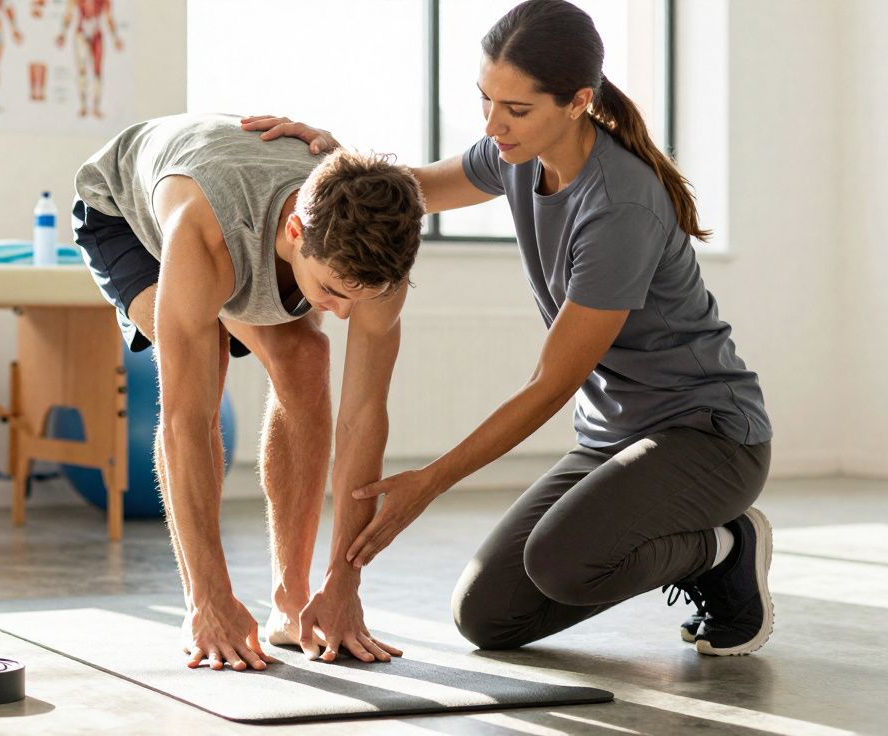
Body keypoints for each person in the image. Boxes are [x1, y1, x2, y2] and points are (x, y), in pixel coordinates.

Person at [243, 0, 774, 657]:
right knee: (487, 617)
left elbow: (552, 383)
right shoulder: (516, 155)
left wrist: (429, 481)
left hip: (706, 437)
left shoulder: (620, 207)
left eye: (516, 109)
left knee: (563, 562)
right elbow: (407, 192)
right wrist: (326, 166)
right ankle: (694, 543)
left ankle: (723, 551)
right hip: (613, 439)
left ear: (578, 102)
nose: (493, 125)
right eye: (486, 100)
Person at [73, 112, 425, 671]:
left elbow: (363, 418)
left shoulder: (382, 260)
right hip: (127, 212)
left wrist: (344, 584)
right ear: (296, 233)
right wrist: (210, 596)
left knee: (307, 356)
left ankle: (291, 600)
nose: (343, 313)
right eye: (331, 291)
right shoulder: (205, 234)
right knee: (205, 356)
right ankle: (204, 603)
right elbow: (185, 422)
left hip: (253, 204)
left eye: (359, 298)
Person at [56, 0, 123, 118]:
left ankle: (96, 107)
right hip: (81, 33)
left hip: (96, 34)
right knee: (82, 70)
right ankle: (83, 105)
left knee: (97, 71)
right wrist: (63, 33)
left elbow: (109, 18)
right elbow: (69, 14)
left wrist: (115, 38)